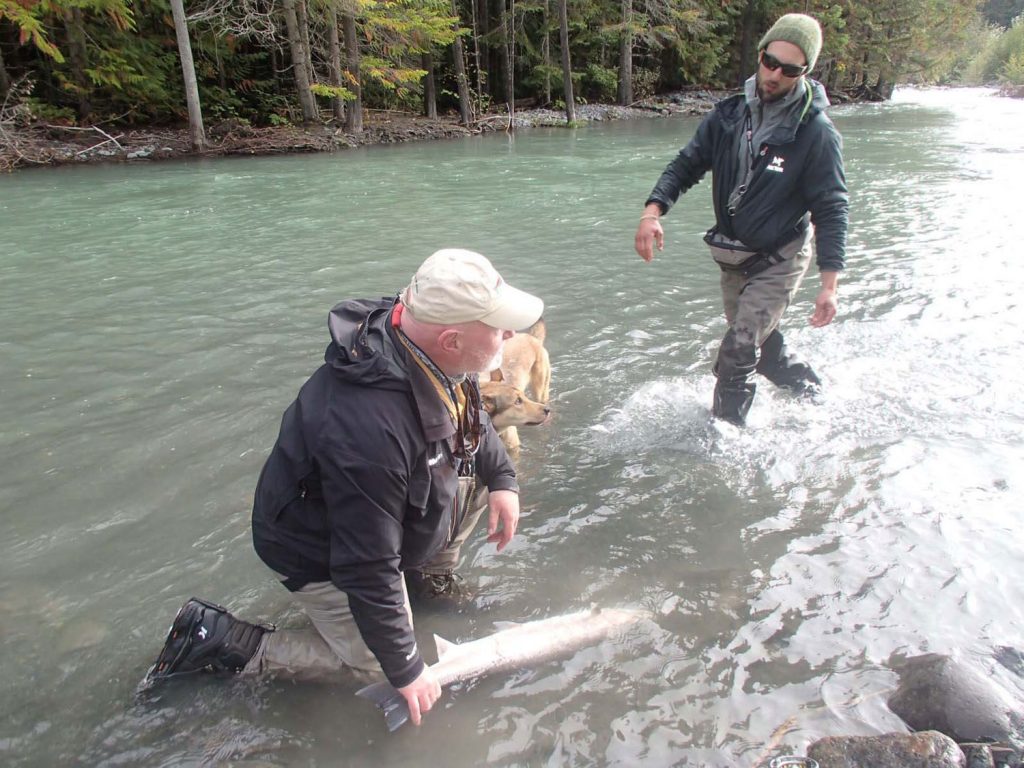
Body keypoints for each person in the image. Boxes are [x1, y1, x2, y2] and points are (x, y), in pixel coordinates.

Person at [146, 249, 543, 726]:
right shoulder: (368, 429)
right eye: (498, 328)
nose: (508, 336)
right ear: (452, 338)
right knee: (375, 668)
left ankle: (425, 579)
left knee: (477, 479)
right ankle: (222, 642)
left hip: (379, 519)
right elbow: (366, 565)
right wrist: (405, 667)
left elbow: (467, 406)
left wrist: (501, 478)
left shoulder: (422, 341)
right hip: (320, 550)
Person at [634, 13, 848, 426]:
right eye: (770, 61)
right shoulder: (730, 115)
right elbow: (686, 165)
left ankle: (725, 441)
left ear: (804, 73)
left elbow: (833, 207)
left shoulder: (816, 133)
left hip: (779, 257)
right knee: (758, 348)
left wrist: (829, 286)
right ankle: (813, 394)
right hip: (734, 257)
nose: (775, 74)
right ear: (761, 54)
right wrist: (652, 212)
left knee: (738, 350)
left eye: (789, 69)